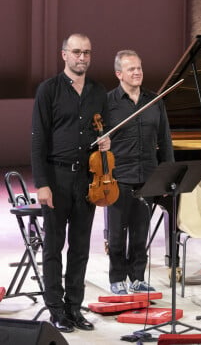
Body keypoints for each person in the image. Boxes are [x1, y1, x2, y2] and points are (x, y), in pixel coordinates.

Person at [31, 33, 110, 332]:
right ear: (64, 54)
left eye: (87, 52)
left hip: (87, 179)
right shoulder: (48, 90)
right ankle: (55, 309)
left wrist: (107, 139)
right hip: (56, 176)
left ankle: (74, 307)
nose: (82, 57)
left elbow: (105, 127)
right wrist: (42, 183)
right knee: (53, 246)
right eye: (76, 52)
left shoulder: (98, 91)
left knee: (80, 247)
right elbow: (38, 140)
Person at [106, 50, 174, 294]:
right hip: (118, 176)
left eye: (139, 68)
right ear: (119, 73)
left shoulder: (155, 101)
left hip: (148, 176)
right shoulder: (108, 103)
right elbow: (97, 141)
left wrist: (169, 176)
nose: (137, 72)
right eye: (131, 69)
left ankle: (137, 277)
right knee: (116, 233)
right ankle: (117, 278)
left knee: (140, 233)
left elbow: (165, 141)